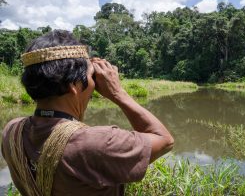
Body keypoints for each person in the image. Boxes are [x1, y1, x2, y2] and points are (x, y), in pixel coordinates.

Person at [1, 30, 174, 196]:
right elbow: (164, 140)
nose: (95, 83)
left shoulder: (12, 131)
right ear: (73, 85)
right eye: (92, 76)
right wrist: (118, 93)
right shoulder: (98, 143)